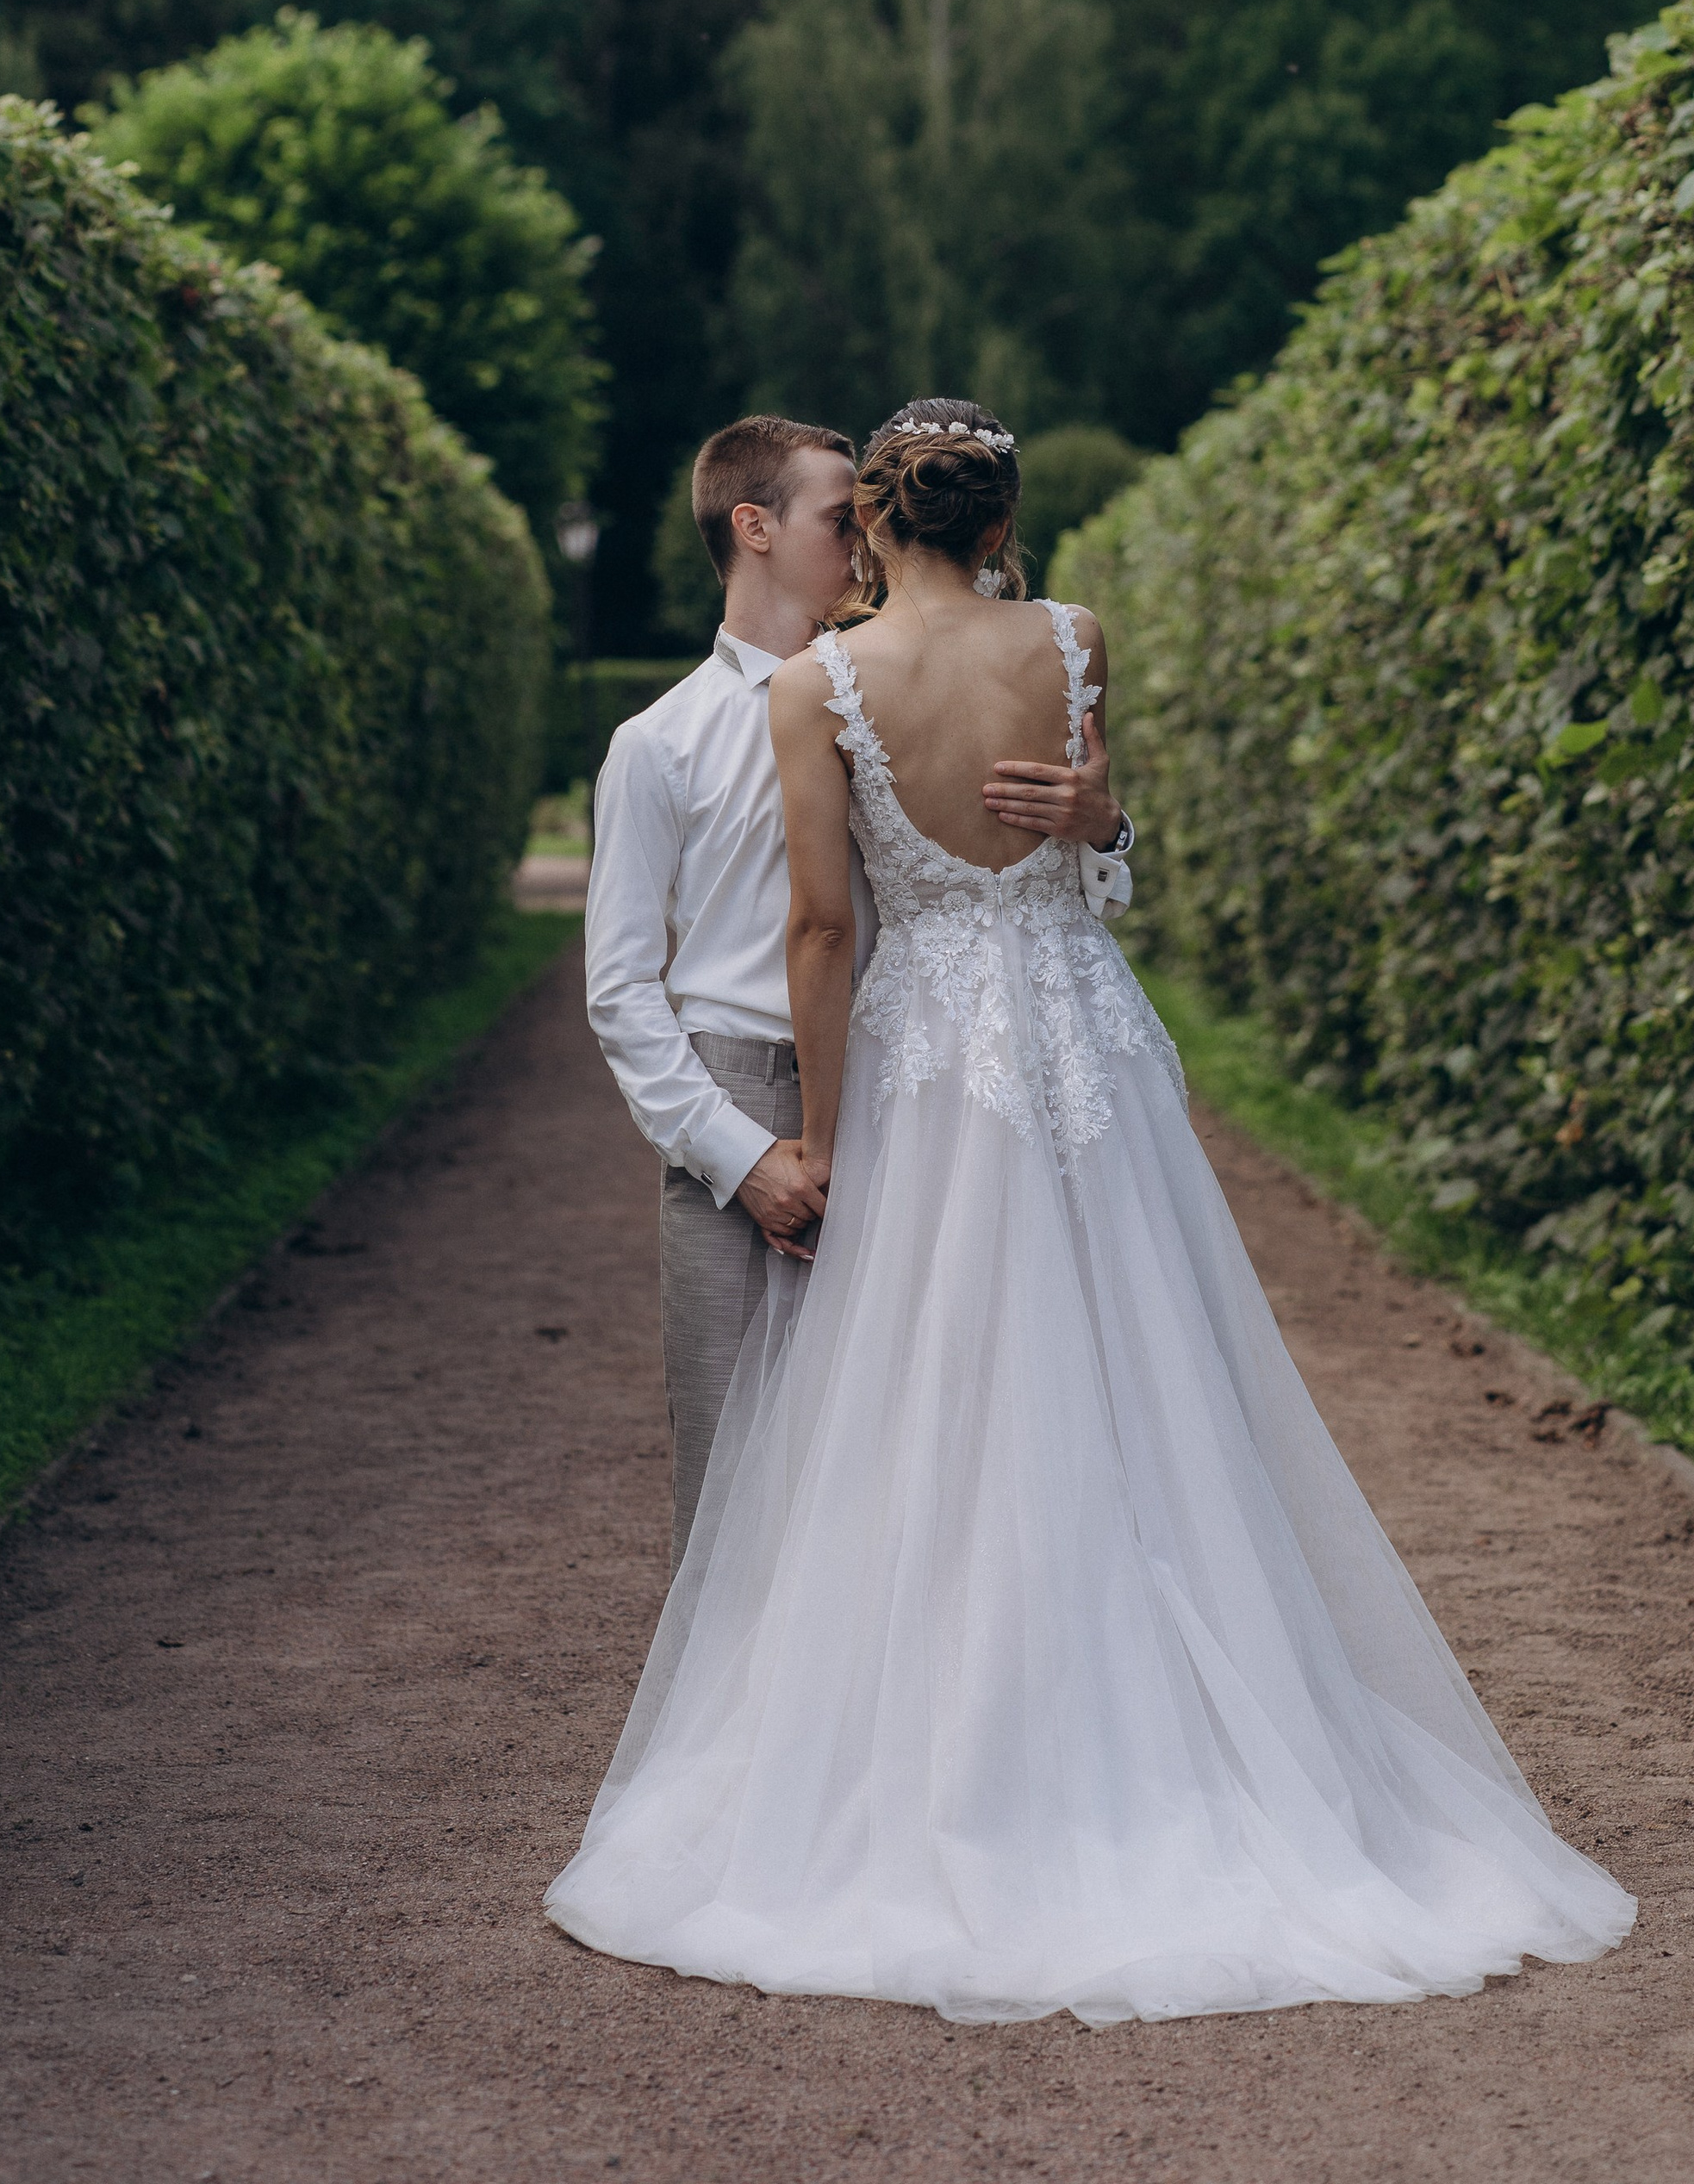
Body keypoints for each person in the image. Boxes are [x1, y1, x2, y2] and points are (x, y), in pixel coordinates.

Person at [548, 397, 1635, 2024]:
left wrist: (832, 1133)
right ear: (994, 522)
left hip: (930, 1073)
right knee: (1139, 1381)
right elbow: (1080, 873)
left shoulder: (818, 687)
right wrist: (1092, 831)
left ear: (883, 527)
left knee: (928, 1401)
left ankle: (910, 1754)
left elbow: (829, 936)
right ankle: (1164, 1736)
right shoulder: (1072, 637)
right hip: (1085, 1057)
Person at [584, 413, 1127, 1570]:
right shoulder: (658, 743)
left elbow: (1016, 883)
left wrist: (1107, 824)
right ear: (755, 529)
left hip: (908, 1092)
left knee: (919, 1458)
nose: (873, 536)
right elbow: (622, 990)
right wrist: (741, 1155)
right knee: (732, 1461)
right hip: (738, 1096)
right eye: (845, 519)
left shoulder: (894, 682)